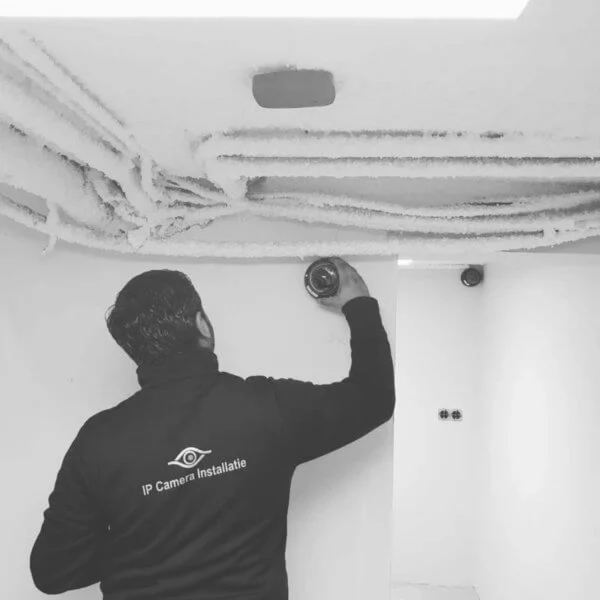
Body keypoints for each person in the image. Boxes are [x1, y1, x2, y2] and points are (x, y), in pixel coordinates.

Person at [30, 257, 395, 599]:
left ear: (135, 351)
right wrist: (358, 305)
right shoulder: (268, 408)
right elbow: (373, 398)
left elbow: (52, 572)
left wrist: (142, 541)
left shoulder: (98, 441)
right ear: (202, 324)